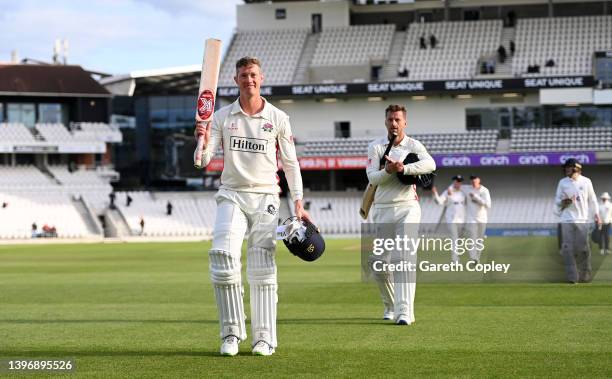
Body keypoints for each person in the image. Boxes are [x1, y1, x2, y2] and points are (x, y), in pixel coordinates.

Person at [194, 56, 310, 356]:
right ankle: (231, 334)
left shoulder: (279, 118)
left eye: (254, 75)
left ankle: (264, 338)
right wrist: (201, 140)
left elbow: (291, 163)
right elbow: (203, 161)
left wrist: (298, 201)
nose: (250, 80)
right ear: (236, 80)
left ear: (262, 78)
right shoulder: (221, 117)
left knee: (262, 267)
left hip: (266, 198)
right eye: (244, 75)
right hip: (232, 194)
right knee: (222, 257)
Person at [366, 104, 435, 325]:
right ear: (385, 122)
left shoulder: (413, 145)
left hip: (408, 207)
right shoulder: (376, 146)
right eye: (390, 120)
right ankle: (391, 304)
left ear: (405, 122)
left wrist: (404, 169)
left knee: (403, 258)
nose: (394, 124)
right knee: (378, 262)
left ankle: (405, 312)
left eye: (398, 120)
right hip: (383, 209)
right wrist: (388, 171)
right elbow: (372, 178)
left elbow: (430, 164)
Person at [554, 158, 601, 283]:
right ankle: (572, 277)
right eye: (566, 167)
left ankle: (585, 275)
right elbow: (557, 201)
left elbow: (593, 199)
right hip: (567, 219)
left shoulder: (586, 182)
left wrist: (596, 214)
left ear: (577, 168)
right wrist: (564, 202)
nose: (566, 169)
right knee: (567, 249)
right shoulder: (562, 183)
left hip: (582, 220)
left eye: (569, 167)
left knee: (584, 249)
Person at [432, 175, 466, 263]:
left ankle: (457, 256)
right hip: (451, 218)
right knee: (454, 238)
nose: (458, 183)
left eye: (460, 181)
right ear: (454, 182)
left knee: (459, 239)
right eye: (457, 181)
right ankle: (455, 260)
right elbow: (439, 202)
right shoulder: (448, 191)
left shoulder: (463, 192)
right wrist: (435, 193)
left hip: (461, 218)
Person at [464, 175, 491, 263]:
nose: (473, 183)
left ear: (479, 181)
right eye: (472, 181)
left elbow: (488, 205)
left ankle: (477, 258)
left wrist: (476, 197)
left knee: (480, 240)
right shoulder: (467, 189)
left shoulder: (484, 191)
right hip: (471, 218)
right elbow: (456, 186)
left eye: (475, 181)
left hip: (482, 218)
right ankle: (473, 258)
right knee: (472, 238)